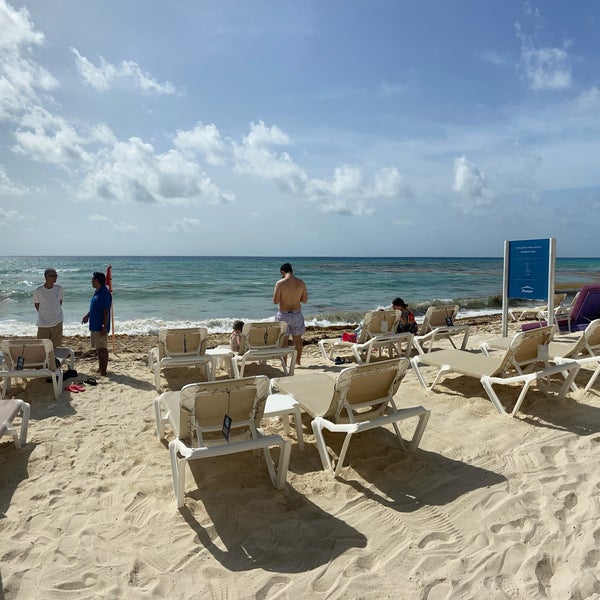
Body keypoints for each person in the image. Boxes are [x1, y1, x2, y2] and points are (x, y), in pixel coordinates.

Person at [273, 262, 308, 366]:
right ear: (292, 271)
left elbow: (275, 301)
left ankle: (284, 363)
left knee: (284, 341)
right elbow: (305, 300)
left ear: (282, 272)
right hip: (297, 313)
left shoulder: (280, 283)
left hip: (283, 315)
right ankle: (297, 362)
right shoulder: (301, 283)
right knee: (298, 340)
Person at [82, 271, 112, 376]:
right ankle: (100, 368)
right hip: (94, 325)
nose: (91, 281)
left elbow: (106, 311)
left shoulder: (104, 293)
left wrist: (103, 326)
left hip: (100, 326)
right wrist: (87, 315)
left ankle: (104, 371)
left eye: (92, 279)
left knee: (103, 349)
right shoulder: (97, 291)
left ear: (97, 280)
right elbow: (95, 307)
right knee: (98, 349)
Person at [33, 268, 64, 349]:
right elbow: (37, 305)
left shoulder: (59, 288)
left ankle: (54, 362)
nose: (56, 278)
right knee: (42, 348)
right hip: (43, 323)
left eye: (56, 276)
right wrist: (45, 315)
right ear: (46, 277)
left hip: (57, 322)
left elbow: (60, 302)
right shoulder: (38, 290)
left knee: (56, 347)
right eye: (53, 276)